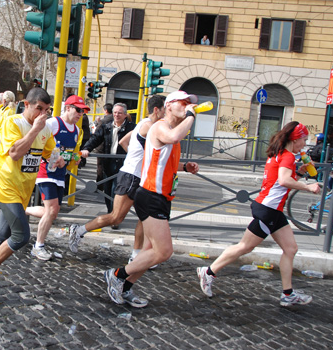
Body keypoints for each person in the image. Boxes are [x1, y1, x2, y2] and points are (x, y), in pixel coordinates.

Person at [197, 122, 321, 307]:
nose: (305, 144)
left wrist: (300, 173)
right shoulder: (287, 156)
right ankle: (208, 272)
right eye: (303, 140)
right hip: (269, 209)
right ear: (295, 139)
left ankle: (288, 294)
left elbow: (279, 181)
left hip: (272, 210)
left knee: (290, 249)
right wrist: (308, 186)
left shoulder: (281, 154)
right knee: (244, 247)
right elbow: (283, 180)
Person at [0, 87, 61, 299]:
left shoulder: (44, 129)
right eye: (38, 109)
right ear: (26, 105)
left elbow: (50, 152)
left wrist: (58, 159)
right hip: (7, 186)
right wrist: (35, 129)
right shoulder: (13, 122)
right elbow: (15, 153)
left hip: (24, 188)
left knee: (1, 235)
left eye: (46, 110)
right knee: (21, 236)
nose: (42, 114)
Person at [103, 91, 200, 308]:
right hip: (150, 196)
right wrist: (191, 116)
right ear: (169, 106)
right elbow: (173, 138)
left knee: (149, 252)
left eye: (189, 104)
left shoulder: (171, 131)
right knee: (164, 252)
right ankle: (116, 275)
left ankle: (125, 287)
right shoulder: (160, 127)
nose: (186, 107)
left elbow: (162, 161)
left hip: (163, 197)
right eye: (183, 103)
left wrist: (185, 167)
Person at [69, 95, 166, 259]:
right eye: (166, 108)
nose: (167, 112)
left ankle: (136, 255)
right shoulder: (149, 126)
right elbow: (172, 137)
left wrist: (139, 159)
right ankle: (78, 230)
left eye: (120, 112)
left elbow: (123, 141)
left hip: (140, 177)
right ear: (157, 110)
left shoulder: (140, 123)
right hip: (131, 176)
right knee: (115, 217)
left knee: (145, 216)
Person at [25, 95, 88, 260]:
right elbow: (39, 141)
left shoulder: (77, 131)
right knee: (52, 210)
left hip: (61, 175)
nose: (81, 114)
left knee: (52, 212)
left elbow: (71, 157)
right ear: (68, 108)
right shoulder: (54, 123)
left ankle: (22, 208)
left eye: (83, 111)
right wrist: (50, 157)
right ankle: (38, 246)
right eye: (78, 110)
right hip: (46, 172)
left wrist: (76, 159)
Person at [80, 103, 136, 217]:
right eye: (115, 112)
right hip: (107, 163)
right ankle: (111, 213)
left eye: (120, 113)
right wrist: (86, 148)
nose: (116, 115)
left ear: (125, 115)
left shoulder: (132, 128)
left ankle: (114, 216)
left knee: (116, 190)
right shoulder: (106, 127)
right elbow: (95, 138)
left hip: (123, 164)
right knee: (107, 189)